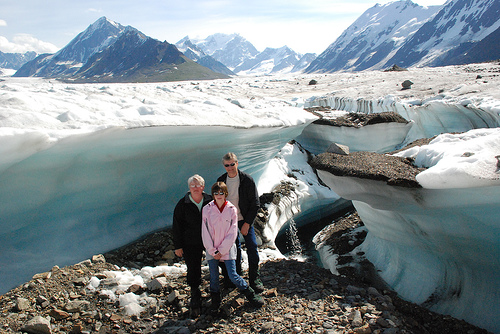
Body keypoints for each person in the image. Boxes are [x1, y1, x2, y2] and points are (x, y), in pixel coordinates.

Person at [202, 182, 264, 311]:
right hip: (212, 250)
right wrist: (213, 250)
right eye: (216, 193)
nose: (219, 195)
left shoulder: (231, 209)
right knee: (213, 277)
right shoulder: (207, 209)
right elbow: (205, 231)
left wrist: (222, 250)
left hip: (227, 249)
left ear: (226, 194)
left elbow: (232, 232)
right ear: (213, 194)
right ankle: (215, 300)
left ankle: (250, 294)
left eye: (221, 193)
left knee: (233, 275)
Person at [217, 152, 264, 293]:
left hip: (244, 219)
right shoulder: (221, 181)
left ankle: (254, 277)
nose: (230, 167)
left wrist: (247, 223)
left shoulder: (247, 180)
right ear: (224, 166)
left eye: (232, 164)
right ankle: (235, 276)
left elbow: (255, 204)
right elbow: (217, 202)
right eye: (227, 165)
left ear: (237, 163)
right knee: (233, 249)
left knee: (252, 247)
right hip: (228, 221)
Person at [172, 174, 212, 316]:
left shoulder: (210, 200)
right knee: (193, 267)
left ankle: (225, 285)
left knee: (220, 261)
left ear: (203, 187)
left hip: (210, 240)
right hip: (190, 241)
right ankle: (195, 294)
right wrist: (178, 246)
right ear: (189, 187)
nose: (195, 188)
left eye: (198, 185)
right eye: (192, 185)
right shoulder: (183, 204)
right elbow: (177, 226)